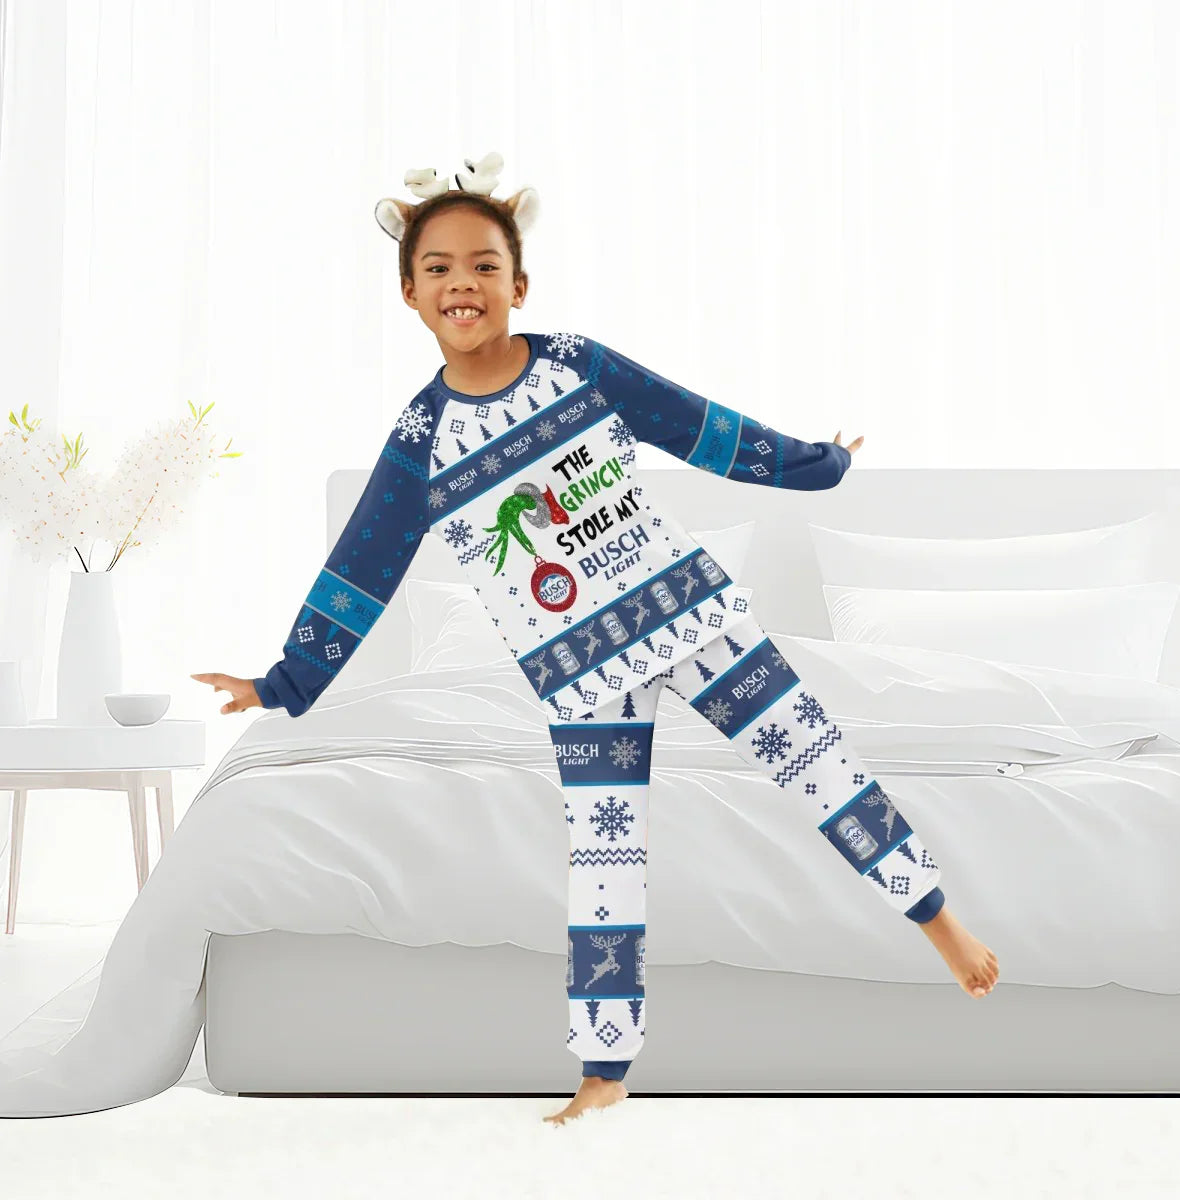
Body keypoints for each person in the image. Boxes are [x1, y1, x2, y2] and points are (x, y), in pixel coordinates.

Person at [192, 152, 999, 1127]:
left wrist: (816, 466)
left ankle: (939, 921)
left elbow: (697, 426)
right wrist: (285, 681)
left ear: (519, 284)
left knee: (816, 761)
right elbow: (363, 567)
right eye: (439, 267)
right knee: (605, 863)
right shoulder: (421, 441)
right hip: (580, 674)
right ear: (408, 292)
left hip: (690, 613)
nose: (463, 283)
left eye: (485, 265)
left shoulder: (577, 366)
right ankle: (605, 1062)